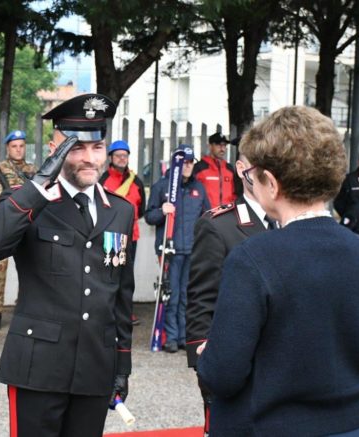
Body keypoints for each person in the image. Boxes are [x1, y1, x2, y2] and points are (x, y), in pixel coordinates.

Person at [197, 106, 359, 436]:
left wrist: (209, 354)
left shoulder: (253, 257)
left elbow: (223, 374)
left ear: (271, 182)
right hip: (348, 425)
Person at [0, 93, 134, 437]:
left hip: (96, 365)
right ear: (55, 149)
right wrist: (37, 185)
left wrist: (122, 362)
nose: (89, 158)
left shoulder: (120, 211)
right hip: (39, 367)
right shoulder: (30, 199)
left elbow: (121, 294)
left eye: (97, 147)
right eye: (76, 148)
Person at [185, 151, 271, 434]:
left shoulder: (288, 222)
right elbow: (202, 299)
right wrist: (204, 369)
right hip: (236, 363)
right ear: (241, 168)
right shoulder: (218, 225)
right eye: (260, 166)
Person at [146, 144, 210, 353]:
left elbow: (207, 217)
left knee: (186, 295)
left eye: (191, 162)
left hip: (192, 249)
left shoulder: (199, 188)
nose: (188, 166)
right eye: (184, 162)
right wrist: (162, 211)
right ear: (176, 164)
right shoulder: (161, 186)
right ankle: (170, 337)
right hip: (169, 249)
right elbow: (149, 216)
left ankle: (184, 336)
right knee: (171, 295)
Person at [0, 129, 37, 332]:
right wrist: (22, 197)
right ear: (8, 148)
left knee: (30, 270)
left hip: (26, 226)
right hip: (4, 226)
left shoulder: (33, 170)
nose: (18, 150)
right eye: (14, 146)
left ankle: (25, 309)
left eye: (21, 146)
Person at [99, 139, 145, 325]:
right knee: (110, 275)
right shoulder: (103, 181)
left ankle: (126, 312)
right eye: (118, 155)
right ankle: (108, 311)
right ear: (111, 158)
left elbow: (142, 209)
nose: (121, 159)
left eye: (124, 155)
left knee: (127, 277)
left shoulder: (137, 181)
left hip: (132, 236)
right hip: (111, 236)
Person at [193, 132, 240, 208]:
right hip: (207, 213)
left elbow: (235, 192)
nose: (222, 148)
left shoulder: (229, 168)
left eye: (224, 145)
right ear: (210, 146)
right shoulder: (199, 168)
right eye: (218, 145)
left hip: (227, 213)